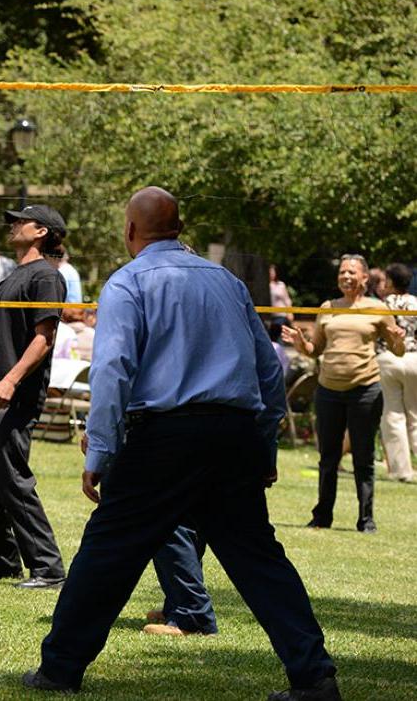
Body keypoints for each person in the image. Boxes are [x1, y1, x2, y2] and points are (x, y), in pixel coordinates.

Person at [25, 186, 338, 701]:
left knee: (108, 554)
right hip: (232, 434)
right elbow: (266, 372)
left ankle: (59, 669)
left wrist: (100, 449)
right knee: (259, 560)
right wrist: (263, 447)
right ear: (179, 227)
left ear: (130, 231)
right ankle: (314, 676)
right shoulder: (228, 283)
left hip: (162, 437)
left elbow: (113, 370)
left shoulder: (127, 283)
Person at [0, 204, 68, 589]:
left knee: (12, 479)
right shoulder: (15, 275)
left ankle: (49, 567)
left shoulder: (46, 276)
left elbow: (44, 338)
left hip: (13, 394)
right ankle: (4, 560)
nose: (11, 227)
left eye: (19, 221)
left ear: (40, 231)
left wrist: (10, 381)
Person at [282, 255, 405, 532]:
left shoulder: (378, 308)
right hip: (328, 391)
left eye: (352, 272)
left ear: (364, 278)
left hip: (365, 390)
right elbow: (315, 350)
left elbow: (398, 350)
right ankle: (322, 516)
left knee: (363, 458)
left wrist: (397, 340)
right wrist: (301, 343)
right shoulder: (328, 308)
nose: (346, 276)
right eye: (342, 272)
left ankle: (366, 520)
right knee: (328, 457)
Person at [374, 263, 417, 482]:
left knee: (392, 415)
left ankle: (401, 470)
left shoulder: (382, 304)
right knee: (415, 417)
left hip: (388, 359)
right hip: (414, 359)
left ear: (390, 281)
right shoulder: (416, 303)